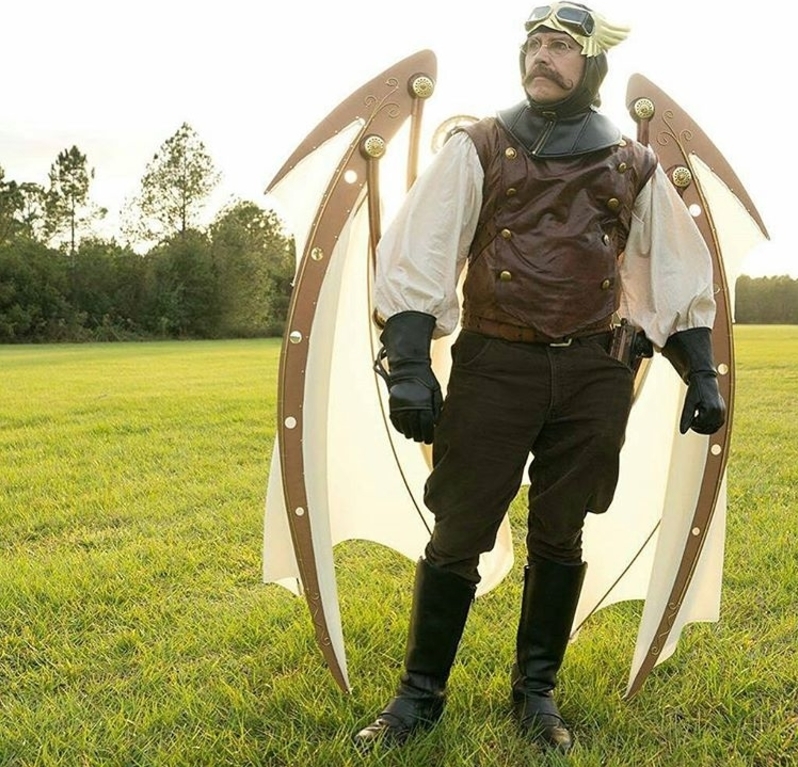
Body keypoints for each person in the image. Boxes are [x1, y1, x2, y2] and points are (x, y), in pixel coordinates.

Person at [355, 2, 726, 754]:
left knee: (562, 532)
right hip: (496, 363)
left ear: (591, 63)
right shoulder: (481, 146)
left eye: (560, 46)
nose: (542, 57)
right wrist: (409, 365)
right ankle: (418, 697)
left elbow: (670, 270)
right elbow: (422, 249)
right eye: (534, 44)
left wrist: (701, 372)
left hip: (594, 372)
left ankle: (536, 693)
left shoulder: (632, 164)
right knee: (459, 530)